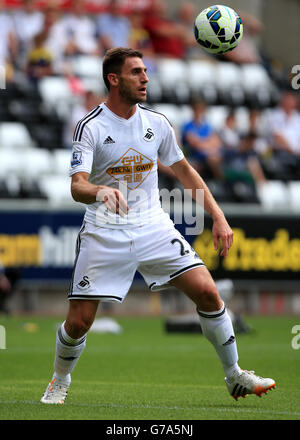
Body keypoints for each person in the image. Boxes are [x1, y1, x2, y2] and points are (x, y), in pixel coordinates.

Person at [40, 47, 275, 404]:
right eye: (136, 72)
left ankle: (234, 374)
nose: (145, 78)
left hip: (153, 225)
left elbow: (185, 173)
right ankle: (60, 379)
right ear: (113, 79)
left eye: (146, 71)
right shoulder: (91, 126)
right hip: (105, 230)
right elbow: (77, 186)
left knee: (209, 293)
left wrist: (219, 216)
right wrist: (101, 191)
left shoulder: (157, 123)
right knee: (78, 323)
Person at [181, 99, 224, 179]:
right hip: (195, 155)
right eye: (197, 110)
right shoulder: (188, 125)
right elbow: (195, 144)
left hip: (208, 153)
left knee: (217, 155)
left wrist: (204, 144)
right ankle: (221, 179)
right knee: (213, 158)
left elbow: (216, 142)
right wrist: (208, 145)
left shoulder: (206, 126)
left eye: (202, 110)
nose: (200, 112)